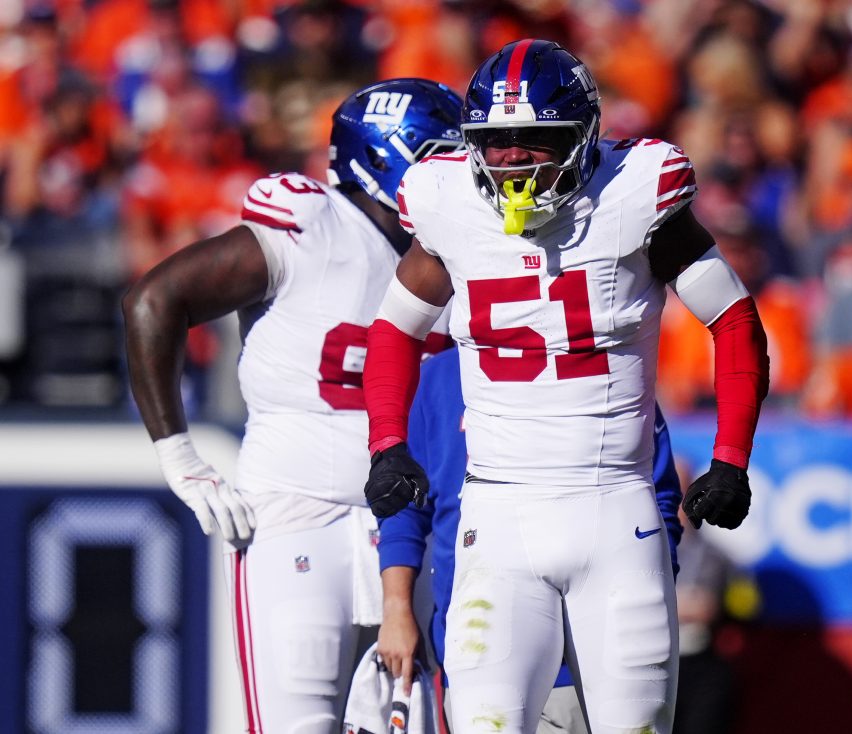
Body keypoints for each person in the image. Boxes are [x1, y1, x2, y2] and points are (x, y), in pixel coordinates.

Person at [359, 39, 770, 734]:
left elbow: (734, 321)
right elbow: (394, 331)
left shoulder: (634, 195)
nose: (514, 158)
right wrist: (386, 444)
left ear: (581, 137)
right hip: (498, 518)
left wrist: (731, 457)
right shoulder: (447, 201)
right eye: (498, 141)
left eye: (535, 139)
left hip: (615, 511)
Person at [122, 78, 463, 734]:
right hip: (297, 516)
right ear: (389, 158)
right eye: (439, 158)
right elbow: (153, 300)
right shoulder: (311, 223)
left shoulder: (457, 248)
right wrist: (177, 453)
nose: (458, 177)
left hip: (412, 524)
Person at [375, 346, 684, 733]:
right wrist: (396, 609)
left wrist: (637, 595)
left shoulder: (604, 352)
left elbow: (658, 495)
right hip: (479, 644)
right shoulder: (438, 377)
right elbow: (404, 507)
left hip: (586, 663)